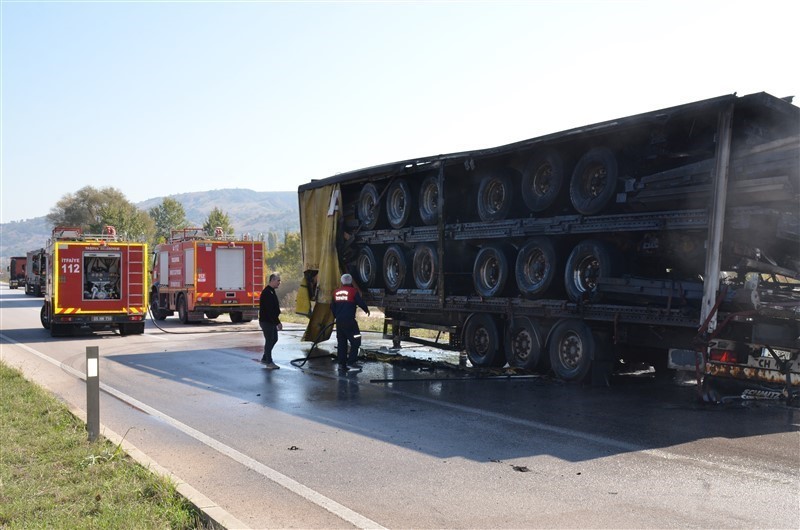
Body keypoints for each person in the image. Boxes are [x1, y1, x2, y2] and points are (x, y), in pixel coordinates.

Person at [330, 273, 370, 373]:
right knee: (356, 340)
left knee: (342, 343)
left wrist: (337, 316)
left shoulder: (336, 292)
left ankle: (341, 364)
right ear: (351, 281)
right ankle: (351, 362)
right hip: (350, 322)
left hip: (339, 322)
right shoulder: (353, 291)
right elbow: (360, 302)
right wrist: (366, 310)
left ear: (342, 282)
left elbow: (332, 306)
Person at [258, 273, 282, 369]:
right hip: (266, 321)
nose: (279, 283)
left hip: (271, 320)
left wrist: (276, 320)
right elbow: (269, 310)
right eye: (278, 280)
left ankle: (265, 358)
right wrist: (277, 322)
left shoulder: (271, 291)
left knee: (274, 339)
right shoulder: (267, 292)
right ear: (272, 280)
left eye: (280, 281)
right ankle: (269, 362)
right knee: (269, 340)